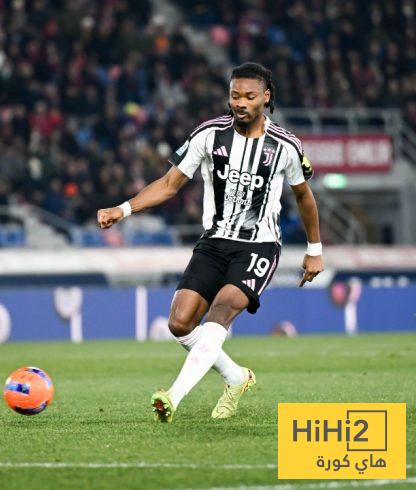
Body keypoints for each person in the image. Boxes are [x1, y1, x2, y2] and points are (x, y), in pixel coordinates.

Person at [97, 62, 323, 423]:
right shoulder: (209, 134)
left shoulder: (285, 145)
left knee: (220, 312)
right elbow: (169, 184)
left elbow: (303, 197)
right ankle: (236, 377)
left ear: (266, 98)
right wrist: (123, 209)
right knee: (180, 323)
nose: (241, 103)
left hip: (259, 246)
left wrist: (314, 250)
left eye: (249, 96)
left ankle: (173, 396)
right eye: (235, 95)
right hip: (214, 242)